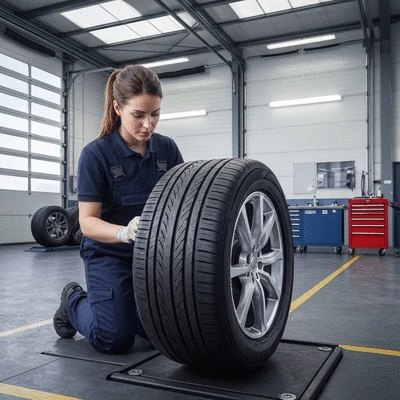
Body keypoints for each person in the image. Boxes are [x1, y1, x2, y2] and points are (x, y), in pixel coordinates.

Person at [53, 64, 184, 354]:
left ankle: (127, 311)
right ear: (117, 107)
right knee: (114, 339)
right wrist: (124, 232)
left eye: (155, 114)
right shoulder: (95, 155)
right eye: (138, 115)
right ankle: (73, 299)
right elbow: (86, 223)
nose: (148, 125)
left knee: (161, 334)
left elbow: (181, 205)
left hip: (151, 256)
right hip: (108, 253)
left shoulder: (168, 150)